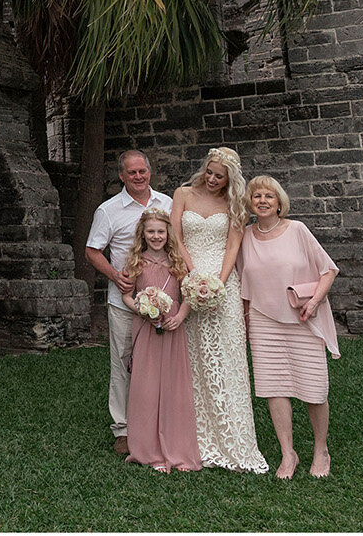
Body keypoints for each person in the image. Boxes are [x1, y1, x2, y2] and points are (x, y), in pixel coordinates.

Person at [168, 147, 268, 472]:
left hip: (223, 284)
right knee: (195, 361)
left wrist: (219, 285)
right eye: (209, 172)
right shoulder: (183, 194)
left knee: (226, 359)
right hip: (189, 277)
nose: (212, 179)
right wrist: (192, 276)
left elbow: (233, 245)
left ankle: (233, 440)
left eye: (219, 176)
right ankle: (195, 440)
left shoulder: (234, 203)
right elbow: (175, 237)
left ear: (229, 180)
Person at [238, 174, 340, 478]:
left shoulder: (297, 230)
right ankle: (288, 453)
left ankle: (321, 450)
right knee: (274, 386)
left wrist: (315, 301)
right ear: (250, 202)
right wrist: (243, 322)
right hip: (262, 322)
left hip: (302, 318)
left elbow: (328, 270)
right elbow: (242, 283)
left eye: (269, 196)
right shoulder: (244, 236)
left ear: (279, 202)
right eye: (257, 196)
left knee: (314, 389)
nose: (263, 201)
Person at [82, 149, 170, 455]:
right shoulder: (108, 211)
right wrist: (115, 276)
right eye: (131, 172)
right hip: (124, 301)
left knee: (161, 363)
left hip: (163, 301)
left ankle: (160, 424)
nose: (138, 176)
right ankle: (123, 429)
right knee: (123, 364)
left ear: (149, 172)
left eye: (142, 171)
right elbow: (92, 251)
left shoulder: (167, 205)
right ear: (121, 176)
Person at [123, 207, 199, 472]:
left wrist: (180, 317)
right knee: (146, 386)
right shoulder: (136, 262)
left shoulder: (177, 261)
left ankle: (177, 449)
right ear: (143, 234)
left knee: (173, 387)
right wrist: (142, 309)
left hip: (173, 327)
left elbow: (189, 294)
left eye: (161, 232)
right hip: (146, 327)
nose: (156, 236)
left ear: (168, 234)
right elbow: (127, 296)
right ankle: (149, 450)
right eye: (151, 232)